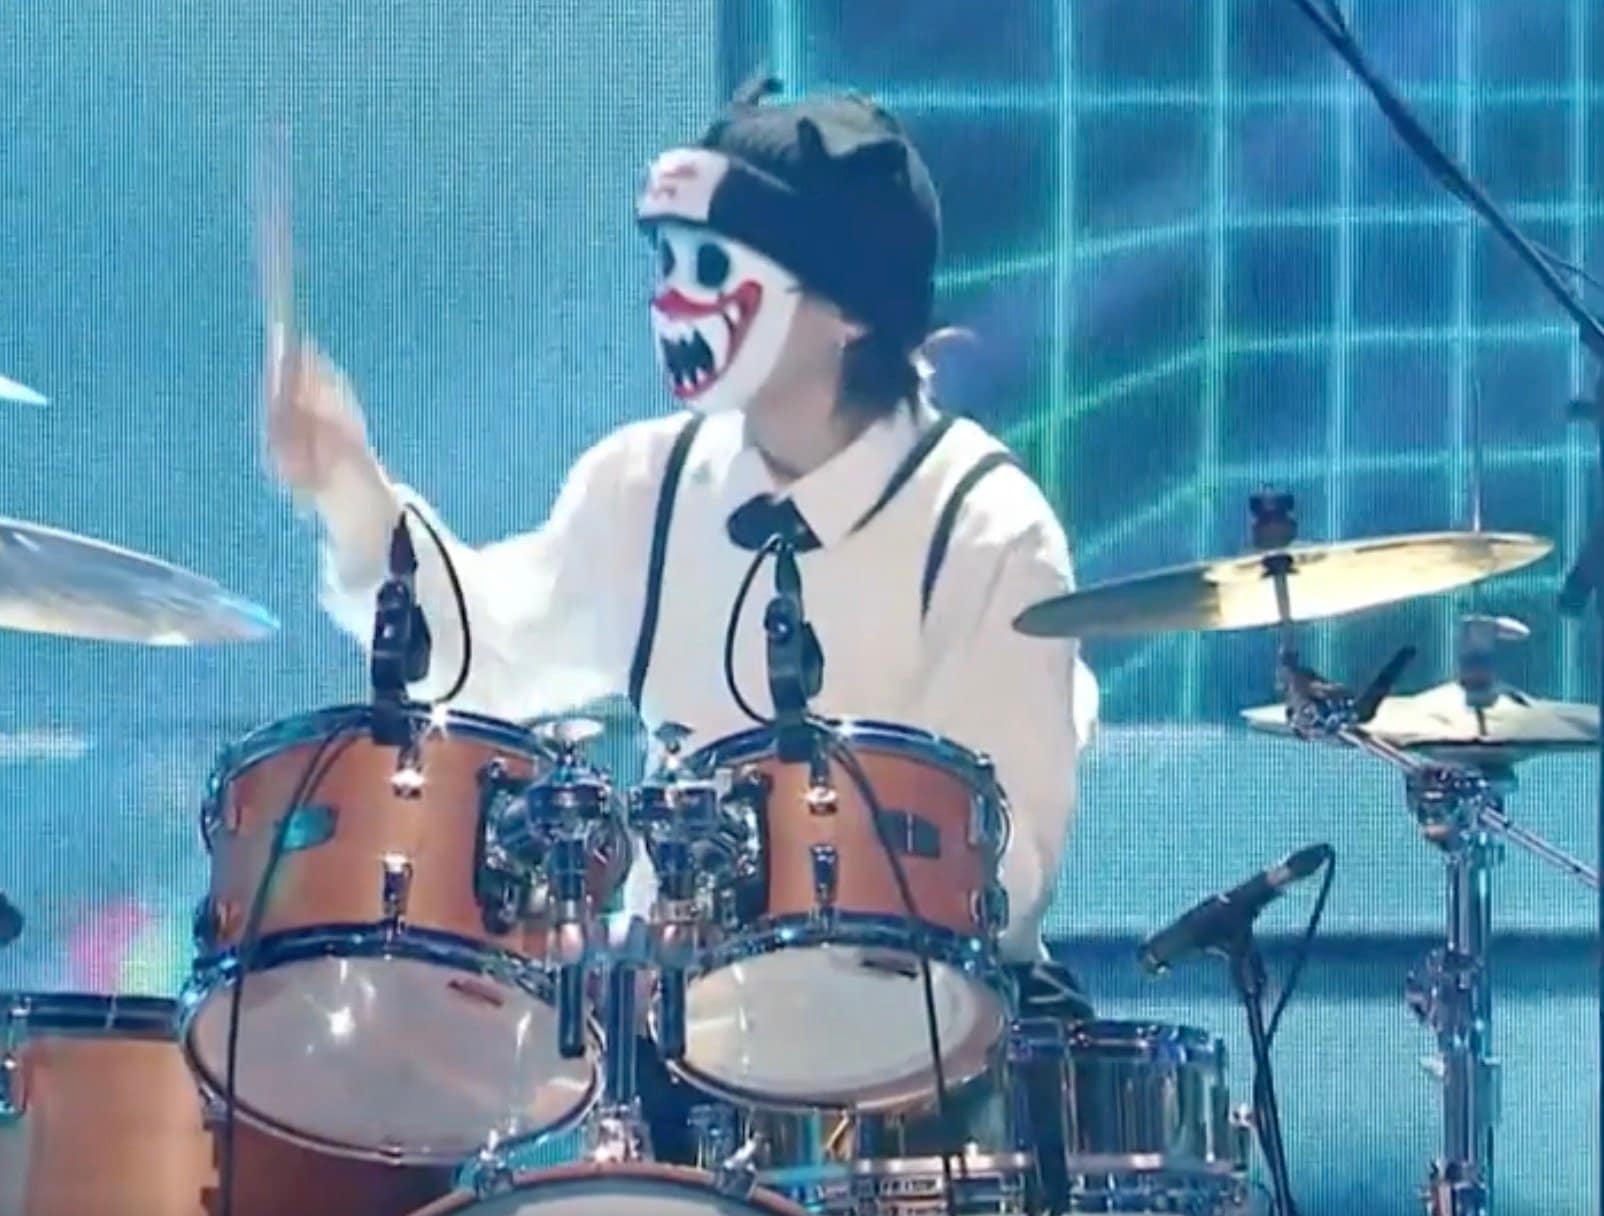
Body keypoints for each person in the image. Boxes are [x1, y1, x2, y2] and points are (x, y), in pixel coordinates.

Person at [263, 80, 1096, 1155]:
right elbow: (489, 655)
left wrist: (827, 955)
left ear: (849, 310)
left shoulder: (986, 527)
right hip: (689, 1051)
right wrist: (347, 485)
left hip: (933, 1076)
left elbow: (1010, 866)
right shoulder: (646, 483)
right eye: (665, 264)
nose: (672, 301)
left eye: (711, 268)